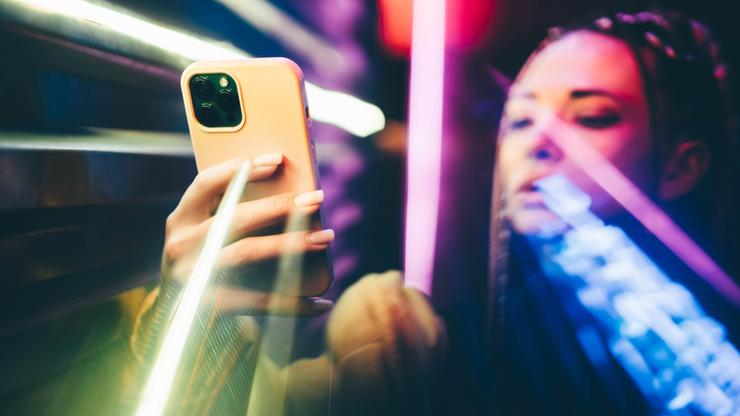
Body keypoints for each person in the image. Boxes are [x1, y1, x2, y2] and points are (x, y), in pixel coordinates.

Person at [125, 8, 738, 416]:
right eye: (519, 118)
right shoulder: (398, 344)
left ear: (684, 165)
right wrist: (195, 313)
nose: (539, 142)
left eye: (593, 115)